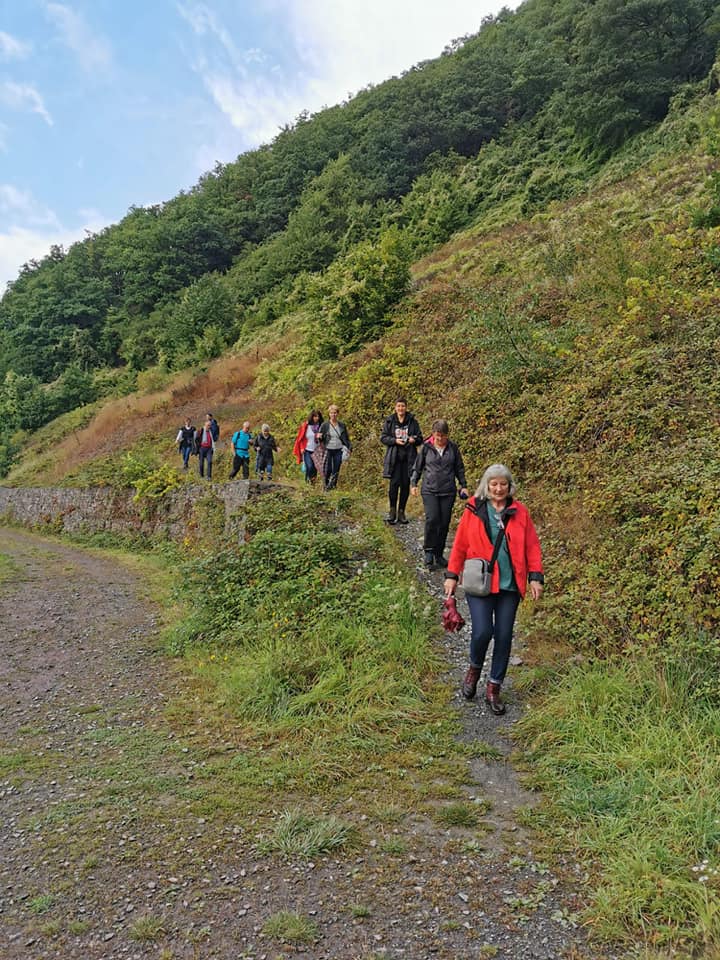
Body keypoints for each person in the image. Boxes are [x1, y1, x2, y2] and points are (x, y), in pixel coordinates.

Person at [444, 463, 544, 716]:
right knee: (482, 631)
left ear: (510, 486)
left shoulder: (520, 512)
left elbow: (532, 545)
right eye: (494, 484)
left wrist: (535, 577)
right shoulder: (474, 508)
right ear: (486, 486)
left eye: (503, 484)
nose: (499, 488)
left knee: (503, 634)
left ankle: (494, 687)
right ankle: (474, 669)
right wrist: (452, 576)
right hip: (480, 582)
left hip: (510, 584)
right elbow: (460, 544)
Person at [410, 419, 468, 568]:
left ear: (447, 435)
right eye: (437, 436)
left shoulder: (453, 448)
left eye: (442, 436)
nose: (440, 439)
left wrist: (463, 485)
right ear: (433, 435)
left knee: (444, 523)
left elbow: (459, 468)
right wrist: (414, 483)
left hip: (448, 490)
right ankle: (428, 552)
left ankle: (439, 553)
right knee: (432, 519)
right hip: (430, 489)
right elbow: (418, 467)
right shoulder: (426, 448)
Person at [380, 398, 422, 524]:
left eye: (403, 406)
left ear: (406, 407)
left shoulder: (412, 421)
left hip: (409, 458)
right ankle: (392, 512)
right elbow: (383, 437)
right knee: (393, 485)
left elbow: (420, 438)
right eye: (398, 406)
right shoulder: (390, 421)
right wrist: (394, 441)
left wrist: (414, 439)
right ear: (395, 408)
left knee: (405, 485)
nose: (400, 409)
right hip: (394, 458)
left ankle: (402, 512)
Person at [318, 404, 351, 491]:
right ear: (329, 414)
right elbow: (319, 438)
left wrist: (349, 448)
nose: (333, 415)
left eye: (335, 413)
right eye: (331, 413)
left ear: (338, 414)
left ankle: (333, 486)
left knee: (336, 469)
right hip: (328, 449)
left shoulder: (341, 425)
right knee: (328, 469)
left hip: (339, 449)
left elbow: (346, 437)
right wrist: (319, 437)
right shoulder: (325, 425)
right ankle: (326, 486)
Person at [293, 409, 323, 483]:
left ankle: (312, 484)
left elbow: (325, 438)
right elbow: (301, 438)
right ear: (311, 417)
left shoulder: (321, 426)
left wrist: (321, 437)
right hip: (307, 450)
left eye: (318, 416)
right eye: (314, 416)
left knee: (315, 467)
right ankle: (308, 481)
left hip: (317, 450)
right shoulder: (306, 426)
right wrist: (302, 448)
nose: (316, 418)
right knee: (309, 466)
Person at [196, 415, 216, 480]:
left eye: (210, 425)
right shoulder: (201, 430)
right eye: (208, 425)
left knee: (210, 461)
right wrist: (197, 448)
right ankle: (201, 475)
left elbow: (212, 440)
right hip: (202, 448)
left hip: (209, 449)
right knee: (201, 463)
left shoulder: (210, 432)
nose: (209, 427)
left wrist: (213, 448)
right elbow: (196, 439)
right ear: (205, 425)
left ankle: (209, 476)